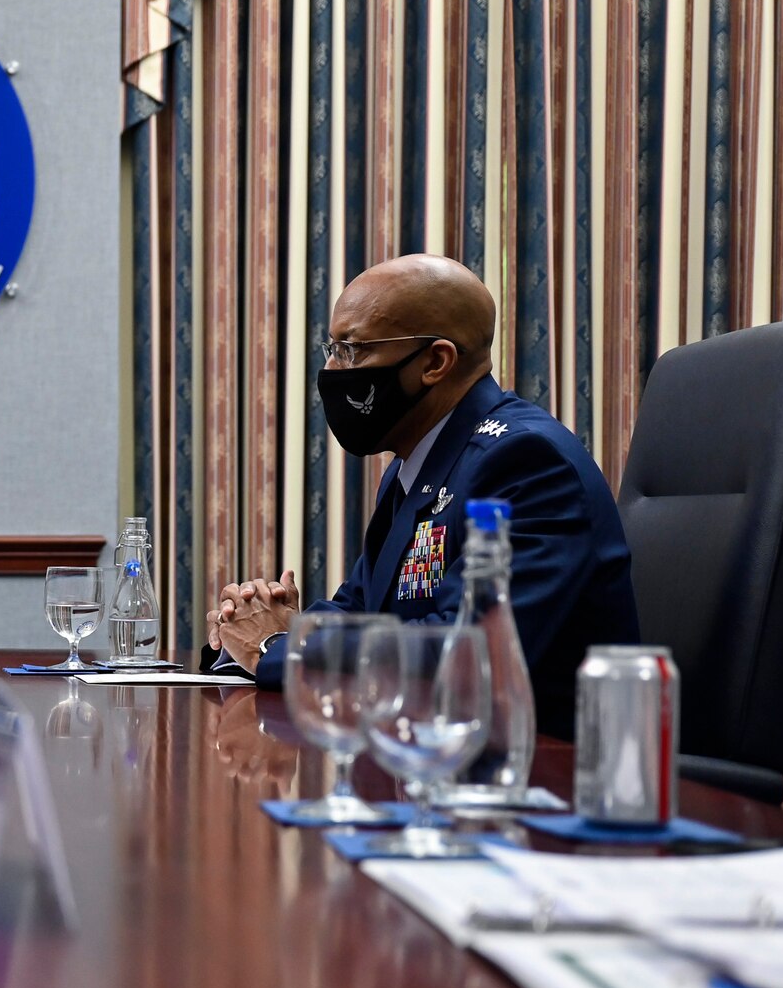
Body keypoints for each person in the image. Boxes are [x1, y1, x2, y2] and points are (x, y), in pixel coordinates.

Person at [206, 254, 639, 736]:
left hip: (539, 764)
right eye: (332, 348)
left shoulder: (526, 463)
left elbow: (469, 654)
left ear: (435, 362)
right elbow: (362, 610)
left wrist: (278, 649)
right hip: (429, 753)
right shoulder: (417, 463)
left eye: (351, 351)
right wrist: (267, 625)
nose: (331, 369)